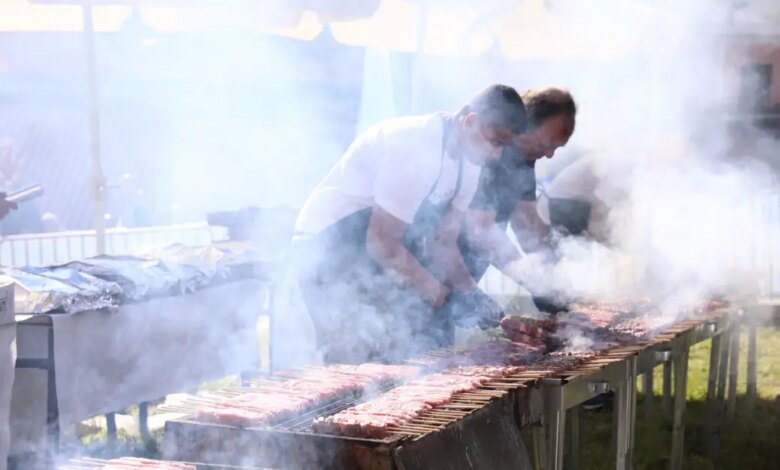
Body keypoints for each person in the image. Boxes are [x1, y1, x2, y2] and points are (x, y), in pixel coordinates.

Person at [294, 84, 529, 364]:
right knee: (355, 363)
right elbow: (381, 242)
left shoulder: (469, 164)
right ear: (470, 122)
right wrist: (436, 291)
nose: (498, 155)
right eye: (496, 142)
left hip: (374, 253)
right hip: (329, 249)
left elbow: (443, 240)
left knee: (398, 353)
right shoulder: (416, 147)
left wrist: (472, 295)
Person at [457, 87, 577, 312]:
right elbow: (481, 231)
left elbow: (527, 221)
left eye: (555, 149)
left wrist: (556, 280)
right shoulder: (489, 153)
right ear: (525, 125)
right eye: (545, 144)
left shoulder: (523, 159)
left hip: (464, 280)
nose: (549, 155)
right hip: (436, 273)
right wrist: (534, 282)